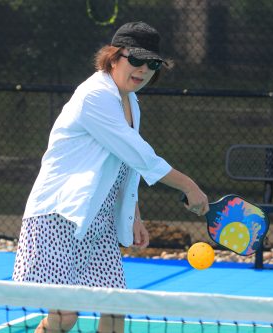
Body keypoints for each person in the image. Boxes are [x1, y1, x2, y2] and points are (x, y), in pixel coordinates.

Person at [12, 21, 209, 333]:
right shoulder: (94, 96)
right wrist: (189, 185)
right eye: (136, 60)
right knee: (65, 317)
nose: (144, 69)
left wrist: (133, 216)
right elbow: (139, 154)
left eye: (152, 63)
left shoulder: (130, 101)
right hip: (59, 217)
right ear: (114, 56)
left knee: (115, 310)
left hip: (98, 223)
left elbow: (123, 165)